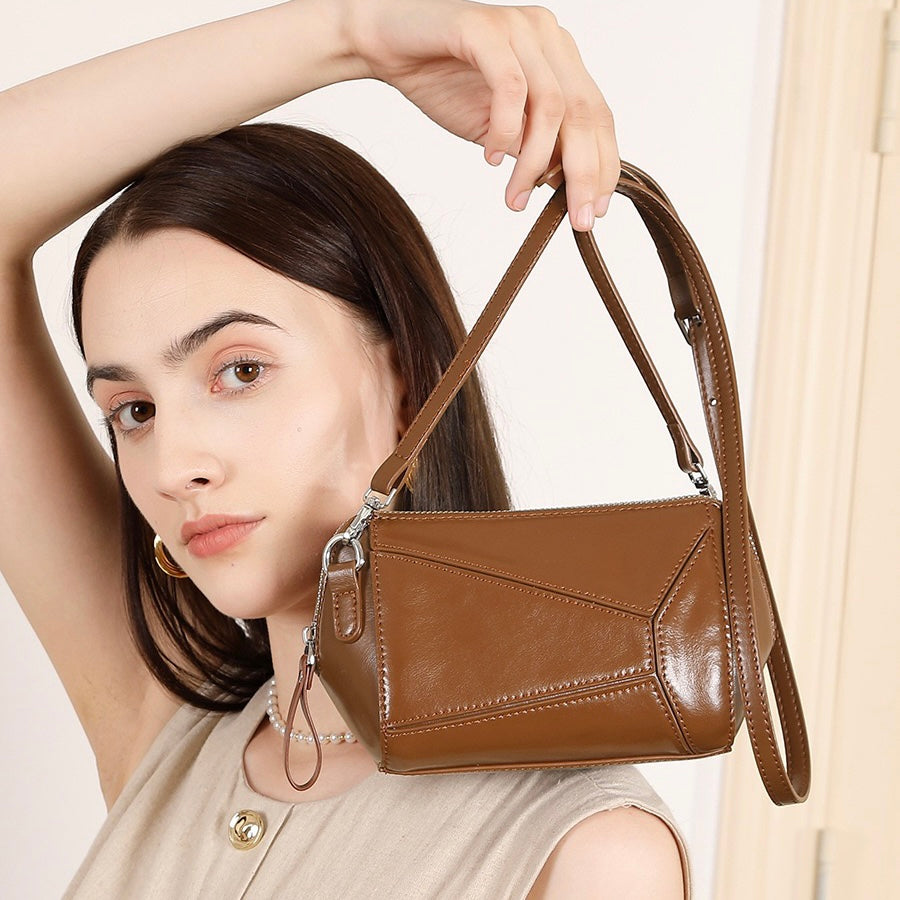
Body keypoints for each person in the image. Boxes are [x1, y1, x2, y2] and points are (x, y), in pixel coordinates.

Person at [0, 0, 691, 896]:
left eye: (240, 370)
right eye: (133, 410)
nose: (173, 467)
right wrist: (351, 32)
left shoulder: (584, 849)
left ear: (407, 383)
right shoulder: (165, 734)